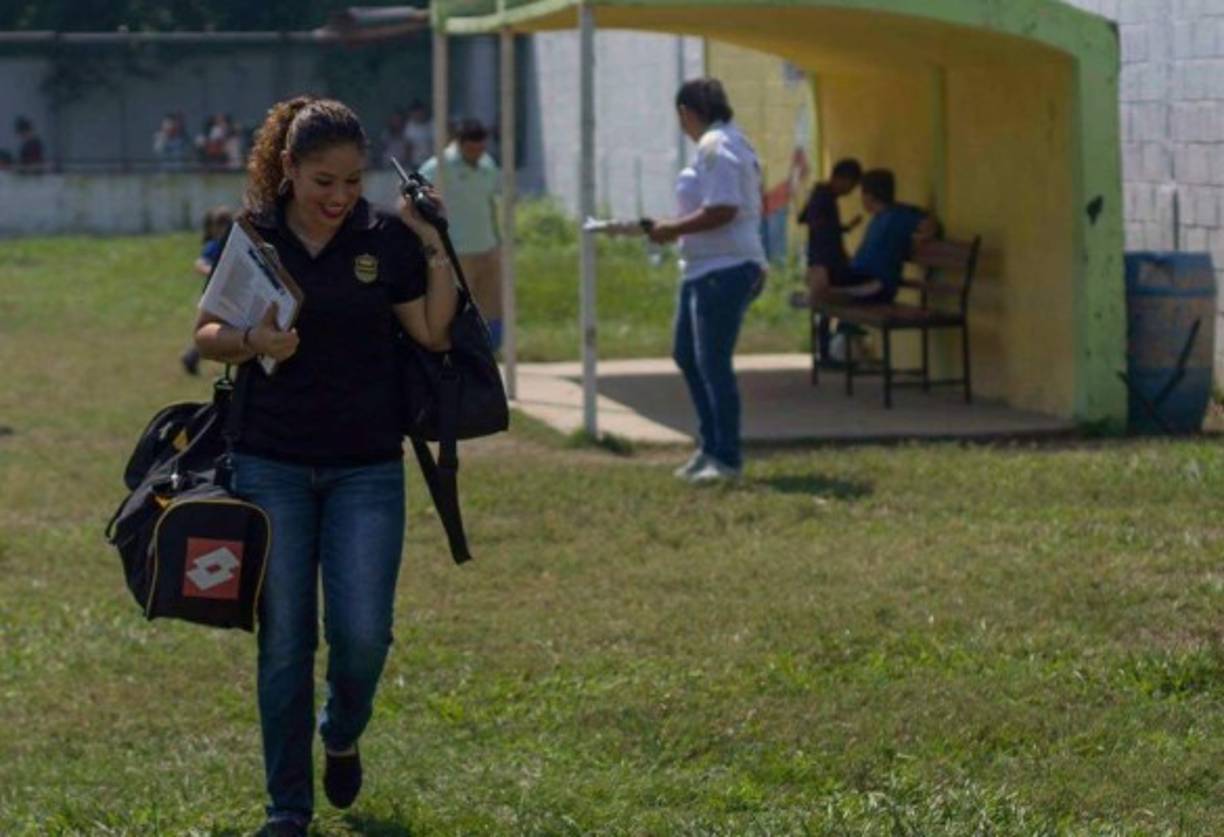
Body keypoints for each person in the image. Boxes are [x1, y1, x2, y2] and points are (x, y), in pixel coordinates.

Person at [192, 96, 459, 837]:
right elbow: (206, 332)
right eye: (322, 182)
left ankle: (340, 730)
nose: (339, 197)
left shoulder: (384, 238)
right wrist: (253, 339)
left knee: (364, 631)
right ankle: (288, 806)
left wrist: (433, 242)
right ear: (289, 169)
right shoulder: (255, 235)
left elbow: (434, 333)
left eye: (350, 180)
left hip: (367, 468)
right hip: (269, 461)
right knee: (284, 641)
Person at [646, 78, 766, 484]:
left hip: (725, 267)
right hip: (703, 267)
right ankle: (709, 445)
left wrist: (672, 227)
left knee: (713, 362)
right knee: (687, 354)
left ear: (686, 112)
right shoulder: (722, 143)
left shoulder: (717, 146)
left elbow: (723, 209)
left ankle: (726, 456)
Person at [418, 118, 504, 349]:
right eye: (472, 149)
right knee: (457, 307)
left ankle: (490, 355)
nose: (477, 154)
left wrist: (498, 240)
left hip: (486, 247)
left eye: (481, 148)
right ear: (459, 143)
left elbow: (492, 202)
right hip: (456, 251)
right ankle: (457, 353)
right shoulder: (438, 167)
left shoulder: (487, 164)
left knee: (492, 308)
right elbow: (417, 200)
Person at [811, 168, 937, 307]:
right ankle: (839, 314)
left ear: (869, 197)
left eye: (862, 194)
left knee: (825, 280)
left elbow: (929, 223)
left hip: (878, 284)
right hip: (860, 276)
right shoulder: (878, 218)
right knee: (820, 272)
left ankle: (830, 300)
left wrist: (922, 236)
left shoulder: (900, 215)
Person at [797, 158, 862, 362]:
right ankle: (831, 350)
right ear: (841, 179)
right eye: (851, 185)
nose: (850, 191)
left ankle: (827, 351)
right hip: (826, 261)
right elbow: (820, 227)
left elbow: (804, 218)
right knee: (847, 296)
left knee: (826, 309)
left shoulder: (821, 194)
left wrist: (844, 228)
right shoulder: (825, 196)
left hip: (821, 259)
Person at [180, 206, 234, 375]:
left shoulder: (233, 245)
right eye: (220, 224)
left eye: (227, 224)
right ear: (212, 228)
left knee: (225, 330)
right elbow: (200, 264)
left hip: (230, 294)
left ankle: (193, 356)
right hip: (215, 297)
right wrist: (214, 272)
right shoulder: (214, 246)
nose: (223, 229)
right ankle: (192, 357)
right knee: (217, 330)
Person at [402, 100, 433, 168]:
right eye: (415, 112)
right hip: (416, 163)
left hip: (431, 162)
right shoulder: (410, 126)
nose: (418, 114)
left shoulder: (432, 124)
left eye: (419, 111)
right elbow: (407, 147)